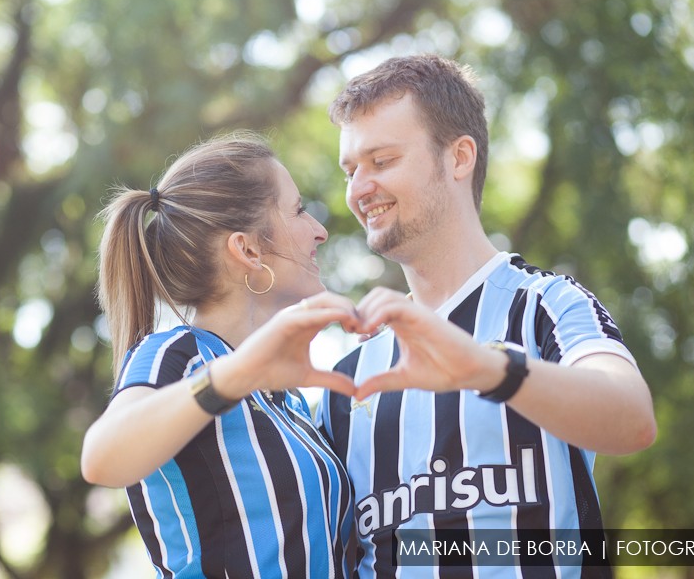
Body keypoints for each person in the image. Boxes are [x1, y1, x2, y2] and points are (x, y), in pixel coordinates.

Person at [314, 54, 657, 577]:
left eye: (381, 162)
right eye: (351, 169)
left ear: (459, 158)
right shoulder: (345, 382)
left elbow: (632, 420)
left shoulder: (547, 305)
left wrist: (488, 369)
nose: (359, 189)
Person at [80, 134, 359, 577]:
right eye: (299, 210)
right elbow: (101, 457)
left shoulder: (288, 399)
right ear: (247, 249)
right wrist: (237, 374)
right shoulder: (178, 355)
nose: (319, 230)